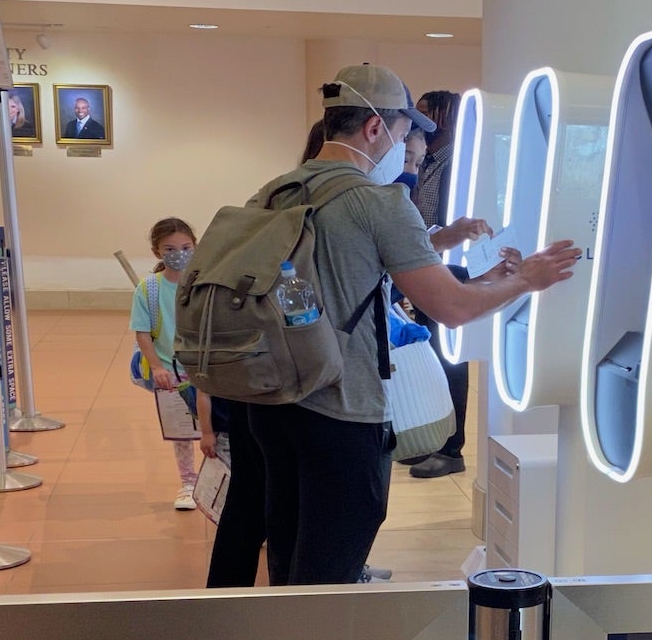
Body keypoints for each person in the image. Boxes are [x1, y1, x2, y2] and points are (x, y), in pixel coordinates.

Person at [242, 63, 581, 586]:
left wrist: (483, 275)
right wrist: (527, 279)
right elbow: (453, 309)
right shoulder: (379, 202)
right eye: (404, 135)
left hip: (271, 402)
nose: (406, 150)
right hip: (341, 406)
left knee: (289, 544)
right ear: (376, 128)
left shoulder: (275, 191)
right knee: (332, 563)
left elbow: (352, 280)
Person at [405, 90, 475, 479]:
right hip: (423, 265)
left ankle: (452, 448)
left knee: (450, 361)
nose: (424, 123)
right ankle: (432, 440)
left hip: (450, 270)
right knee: (428, 359)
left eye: (430, 115)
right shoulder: (425, 161)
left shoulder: (459, 165)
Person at [130, 217, 205, 510]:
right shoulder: (148, 288)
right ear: (156, 251)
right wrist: (157, 367)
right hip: (170, 370)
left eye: (186, 247)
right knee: (182, 431)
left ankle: (221, 483)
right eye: (170, 248)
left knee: (218, 429)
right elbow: (142, 332)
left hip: (205, 369)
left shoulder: (203, 282)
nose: (179, 253)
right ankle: (188, 482)